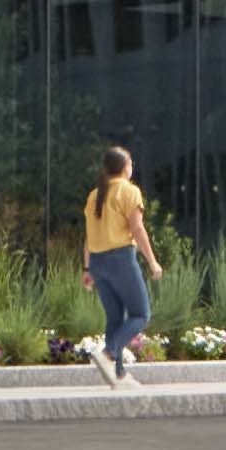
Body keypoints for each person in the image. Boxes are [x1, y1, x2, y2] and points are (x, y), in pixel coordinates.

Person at [80, 146, 160, 386]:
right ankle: (108, 353)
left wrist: (87, 269)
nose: (132, 166)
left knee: (114, 317)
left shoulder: (95, 195)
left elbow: (88, 235)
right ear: (125, 167)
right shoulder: (129, 191)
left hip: (97, 261)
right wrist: (153, 262)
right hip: (120, 258)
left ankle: (119, 374)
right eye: (131, 162)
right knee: (140, 314)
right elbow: (137, 228)